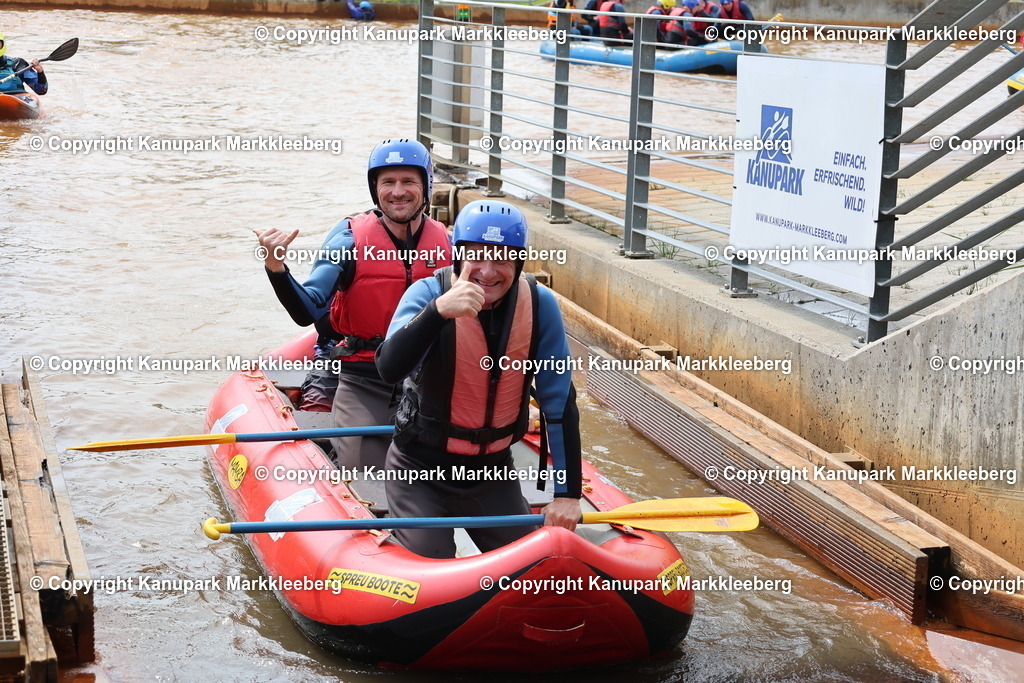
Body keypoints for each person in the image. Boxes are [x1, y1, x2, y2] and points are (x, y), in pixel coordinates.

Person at [375, 200, 583, 559]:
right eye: (478, 256)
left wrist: (567, 494)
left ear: (518, 262)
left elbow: (559, 402)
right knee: (432, 555)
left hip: (491, 471)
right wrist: (437, 313)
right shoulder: (428, 295)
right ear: (459, 256)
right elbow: (389, 368)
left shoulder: (540, 304)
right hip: (420, 466)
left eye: (502, 258)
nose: (488, 271)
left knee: (534, 565)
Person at [254, 138, 452, 468]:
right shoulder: (348, 238)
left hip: (428, 377)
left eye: (408, 182)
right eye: (387, 182)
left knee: (442, 471)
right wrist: (277, 268)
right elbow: (309, 310)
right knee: (365, 472)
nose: (397, 191)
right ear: (375, 189)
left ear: (425, 186)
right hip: (364, 377)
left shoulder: (447, 241)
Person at [0, 31, 48, 96]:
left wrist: (40, 72)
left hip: (15, 100)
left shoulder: (17, 63)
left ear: (3, 44)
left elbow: (41, 90)